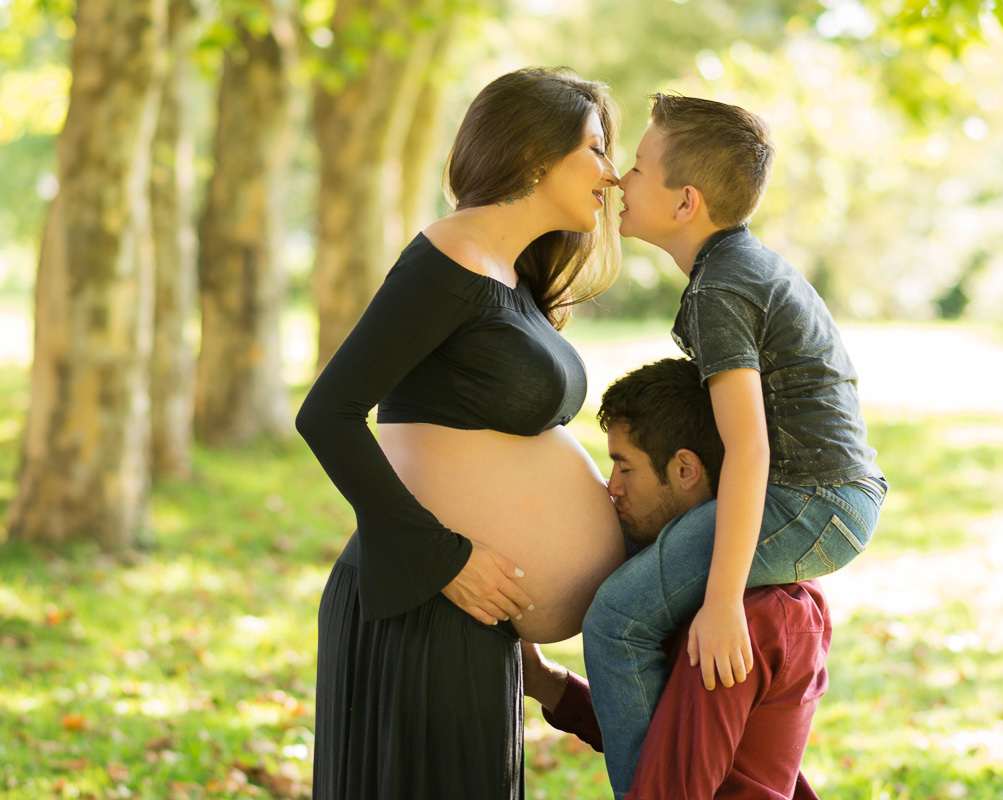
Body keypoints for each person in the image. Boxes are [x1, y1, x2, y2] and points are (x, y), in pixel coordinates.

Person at [295, 67, 628, 800]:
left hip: (474, 616)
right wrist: (442, 560)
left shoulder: (507, 273)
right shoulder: (447, 259)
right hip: (425, 603)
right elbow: (328, 414)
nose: (612, 174)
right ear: (535, 154)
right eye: (597, 149)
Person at [582, 94, 889, 797]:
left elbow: (748, 450)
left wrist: (722, 602)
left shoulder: (723, 285)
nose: (618, 181)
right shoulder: (732, 270)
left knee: (618, 621)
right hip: (823, 496)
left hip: (811, 500)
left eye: (635, 168)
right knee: (639, 581)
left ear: (685, 202)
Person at [526, 357, 833, 800]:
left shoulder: (742, 617)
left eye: (625, 467)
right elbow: (666, 731)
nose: (612, 487)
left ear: (685, 470)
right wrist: (543, 681)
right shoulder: (684, 586)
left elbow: (673, 786)